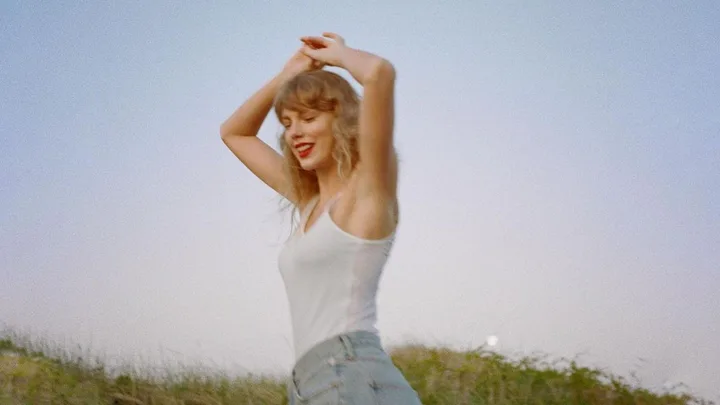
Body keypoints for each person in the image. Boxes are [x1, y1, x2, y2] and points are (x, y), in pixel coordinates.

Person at [220, 32, 421, 405]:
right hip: (310, 383)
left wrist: (339, 55)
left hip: (352, 374)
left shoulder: (366, 195)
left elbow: (379, 73)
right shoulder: (310, 202)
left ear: (342, 120)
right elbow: (235, 134)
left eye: (309, 118)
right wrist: (287, 75)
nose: (295, 132)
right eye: (287, 122)